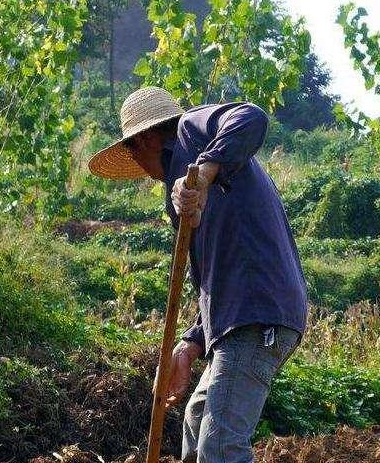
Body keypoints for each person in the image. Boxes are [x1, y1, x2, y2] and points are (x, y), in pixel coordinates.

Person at [88, 87, 308, 463]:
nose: (138, 167)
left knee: (221, 447)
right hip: (236, 319)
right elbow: (209, 277)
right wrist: (189, 345)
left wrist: (204, 174)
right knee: (196, 418)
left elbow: (252, 116)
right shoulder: (178, 197)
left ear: (144, 139)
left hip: (257, 314)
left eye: (132, 152)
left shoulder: (193, 130)